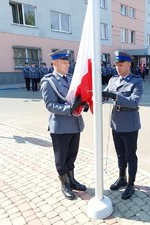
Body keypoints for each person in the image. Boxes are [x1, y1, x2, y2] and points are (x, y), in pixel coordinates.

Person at [40, 49, 87, 200]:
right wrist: (69, 109)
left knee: (72, 156)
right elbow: (50, 105)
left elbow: (77, 97)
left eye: (68, 62)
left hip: (75, 124)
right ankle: (64, 183)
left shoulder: (71, 79)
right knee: (61, 159)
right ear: (54, 63)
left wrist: (83, 103)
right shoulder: (49, 81)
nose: (68, 65)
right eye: (64, 62)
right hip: (60, 127)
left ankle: (72, 180)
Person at [102, 51, 144, 200]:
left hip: (130, 124)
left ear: (128, 64)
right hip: (116, 122)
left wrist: (116, 96)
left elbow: (134, 102)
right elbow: (105, 97)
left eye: (121, 65)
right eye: (116, 65)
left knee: (130, 155)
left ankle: (131, 183)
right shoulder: (113, 80)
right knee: (120, 154)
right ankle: (122, 178)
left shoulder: (136, 81)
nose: (118, 68)